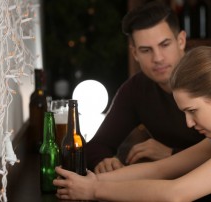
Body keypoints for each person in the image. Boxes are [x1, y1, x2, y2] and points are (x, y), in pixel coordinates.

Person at [54, 46, 211, 201]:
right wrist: (92, 181)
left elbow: (177, 193)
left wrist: (94, 192)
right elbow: (161, 170)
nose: (188, 122)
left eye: (192, 111)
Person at [86, 2, 203, 172]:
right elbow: (97, 145)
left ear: (181, 41)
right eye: (146, 50)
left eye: (164, 45)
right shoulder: (136, 89)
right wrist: (103, 161)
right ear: (135, 53)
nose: (157, 58)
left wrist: (171, 154)